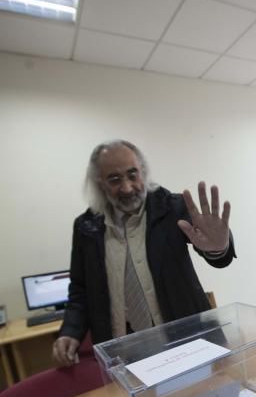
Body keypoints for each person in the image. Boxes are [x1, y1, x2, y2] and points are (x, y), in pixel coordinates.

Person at [53, 140, 235, 367]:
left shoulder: (172, 208)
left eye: (132, 174)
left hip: (188, 343)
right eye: (114, 179)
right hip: (123, 353)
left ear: (144, 173)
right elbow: (80, 289)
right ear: (100, 183)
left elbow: (215, 252)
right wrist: (70, 331)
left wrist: (218, 247)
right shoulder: (86, 228)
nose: (127, 188)